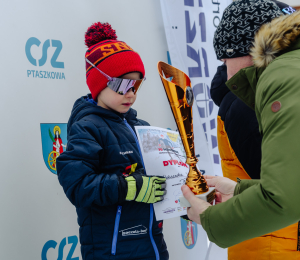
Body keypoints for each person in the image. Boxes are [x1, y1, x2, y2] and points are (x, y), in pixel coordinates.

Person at [182, 0, 300, 251]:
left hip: (273, 239)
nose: (226, 74)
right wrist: (240, 189)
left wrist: (208, 218)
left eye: (225, 61)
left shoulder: (278, 77)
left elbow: (285, 199)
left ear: (249, 51)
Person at [57, 22, 168, 260]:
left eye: (136, 84)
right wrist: (128, 186)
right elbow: (77, 186)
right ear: (99, 84)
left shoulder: (143, 128)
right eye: (122, 84)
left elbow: (159, 180)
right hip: (112, 250)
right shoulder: (87, 128)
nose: (131, 93)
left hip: (152, 247)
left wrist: (182, 188)